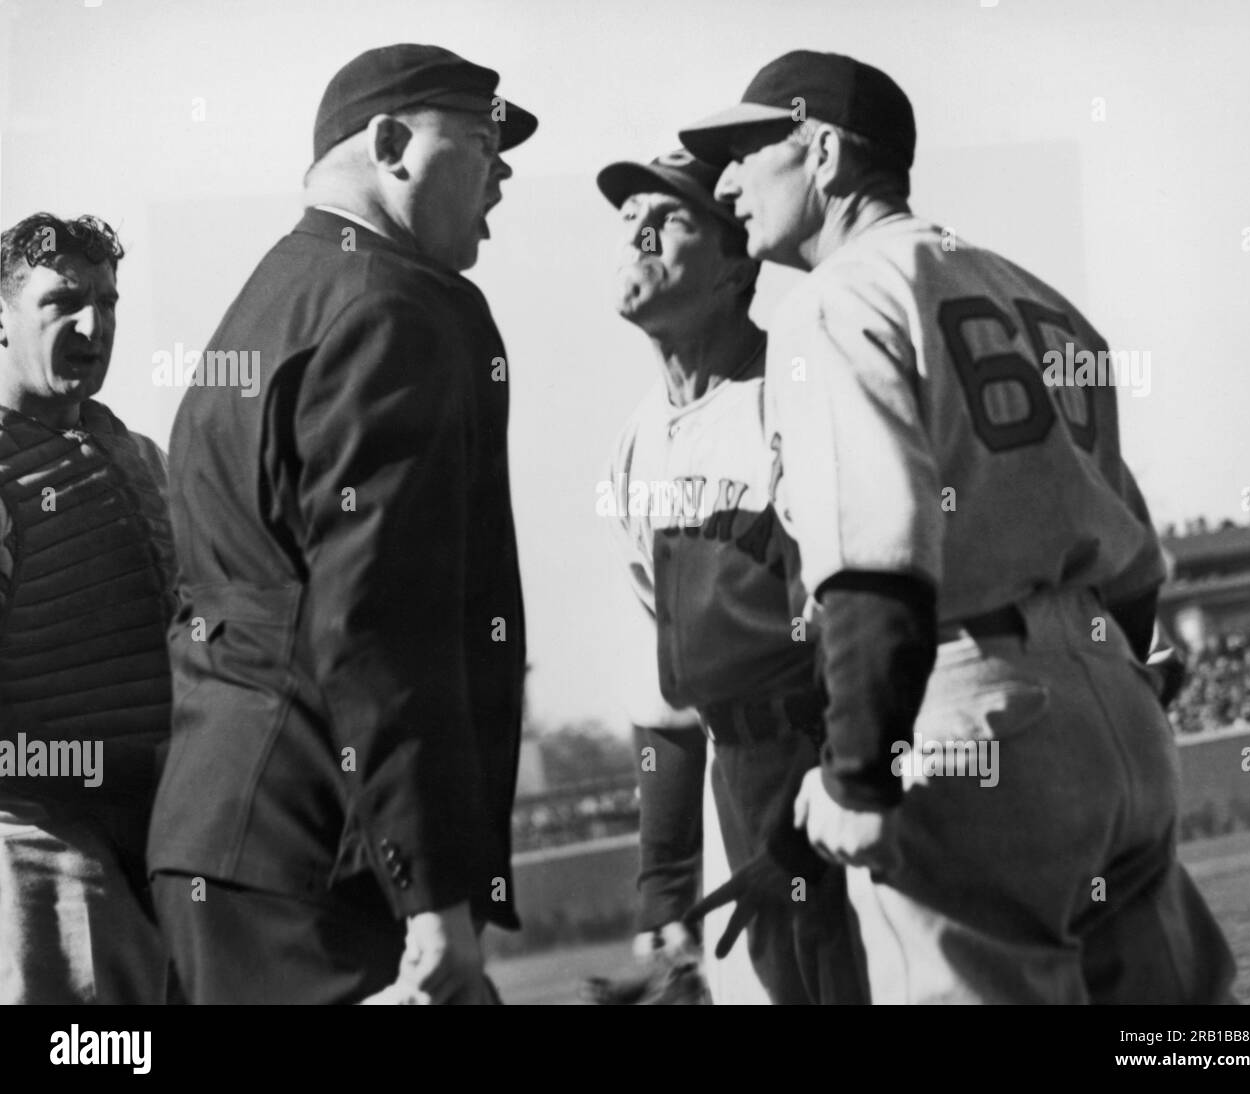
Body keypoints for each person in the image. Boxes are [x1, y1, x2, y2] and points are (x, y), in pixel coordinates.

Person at [680, 50, 1236, 1003]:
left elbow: (875, 554)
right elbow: (1133, 554)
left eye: (745, 148)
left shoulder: (838, 297)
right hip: (1116, 707)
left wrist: (857, 772)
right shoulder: (1039, 295)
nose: (724, 180)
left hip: (971, 712)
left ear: (822, 152)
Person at [147, 44, 536, 1005]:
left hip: (225, 840)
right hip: (324, 859)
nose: (505, 173)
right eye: (484, 144)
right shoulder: (395, 308)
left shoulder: (269, 303)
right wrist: (435, 891)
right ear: (393, 144)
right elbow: (375, 621)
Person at [597, 149, 866, 1004]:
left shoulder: (790, 388)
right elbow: (663, 694)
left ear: (734, 265)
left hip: (830, 763)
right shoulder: (635, 441)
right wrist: (663, 893)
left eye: (669, 215)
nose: (635, 228)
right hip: (734, 778)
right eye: (628, 213)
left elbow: (868, 610)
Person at [0, 212, 172, 1003]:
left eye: (107, 301)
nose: (92, 324)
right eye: (63, 301)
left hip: (163, 836)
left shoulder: (138, 457)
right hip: (43, 848)